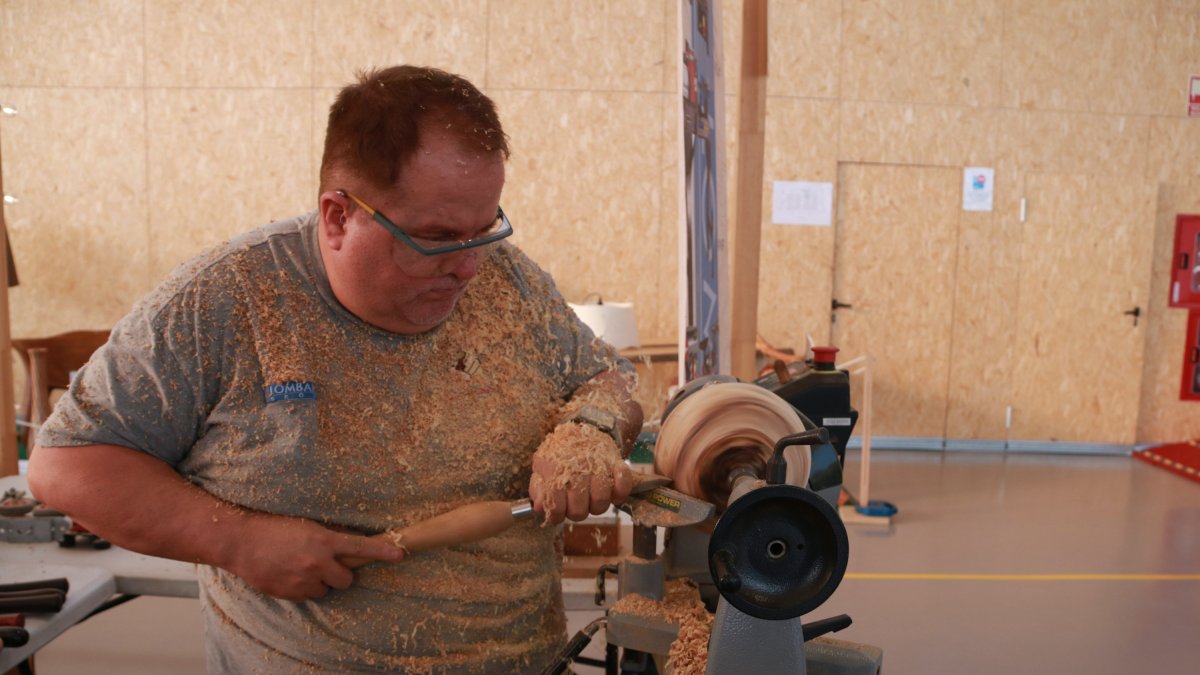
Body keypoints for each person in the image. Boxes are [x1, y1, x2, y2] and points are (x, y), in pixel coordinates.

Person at [27, 64, 643, 673]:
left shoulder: (509, 281)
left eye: (485, 230)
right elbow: (67, 465)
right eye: (437, 237)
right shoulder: (221, 303)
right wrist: (237, 540)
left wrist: (591, 429)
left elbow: (607, 380)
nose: (469, 268)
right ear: (338, 216)